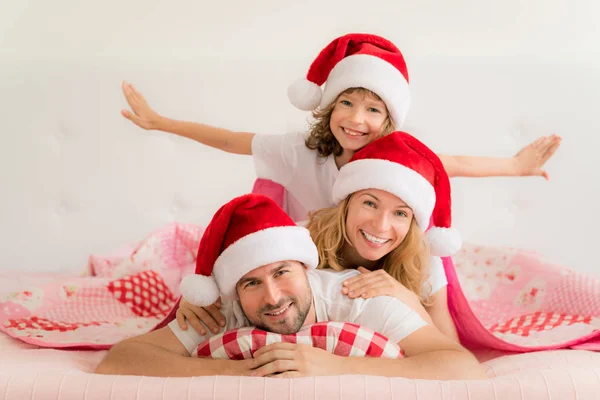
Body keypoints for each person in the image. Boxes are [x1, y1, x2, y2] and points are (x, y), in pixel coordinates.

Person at [120, 33, 561, 223]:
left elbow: (453, 163)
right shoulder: (298, 152)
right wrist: (160, 123)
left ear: (388, 121)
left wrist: (515, 165)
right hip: (305, 258)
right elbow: (229, 140)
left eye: (372, 110)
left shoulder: (394, 159)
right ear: (328, 108)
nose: (355, 118)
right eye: (346, 103)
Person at [95, 193, 486, 380]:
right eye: (252, 282)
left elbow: (462, 367)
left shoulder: (358, 296)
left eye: (282, 272)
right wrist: (238, 373)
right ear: (233, 289)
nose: (273, 297)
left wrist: (336, 367)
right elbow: (121, 359)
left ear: (306, 268)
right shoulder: (225, 308)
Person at [176, 132, 462, 340]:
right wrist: (197, 299)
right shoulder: (300, 237)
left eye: (400, 213)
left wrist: (405, 297)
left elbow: (448, 347)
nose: (381, 226)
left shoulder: (424, 261)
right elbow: (242, 277)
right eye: (370, 203)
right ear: (347, 202)